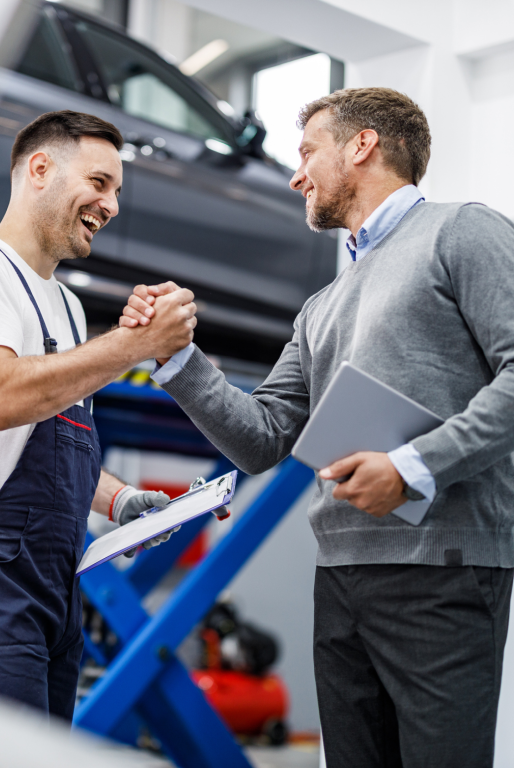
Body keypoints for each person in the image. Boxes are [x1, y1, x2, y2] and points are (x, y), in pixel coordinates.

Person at [120, 88, 514, 767]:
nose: (296, 173)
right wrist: (177, 358)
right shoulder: (320, 307)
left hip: (443, 571)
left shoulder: (462, 232)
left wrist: (413, 468)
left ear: (363, 145)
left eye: (307, 152)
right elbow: (261, 437)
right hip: (340, 576)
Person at [0, 110, 196, 721]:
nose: (112, 204)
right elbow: (3, 399)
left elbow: (52, 439)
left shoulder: (65, 305)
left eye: (116, 190)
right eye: (99, 182)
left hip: (54, 581)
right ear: (40, 169)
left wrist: (120, 502)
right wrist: (133, 344)